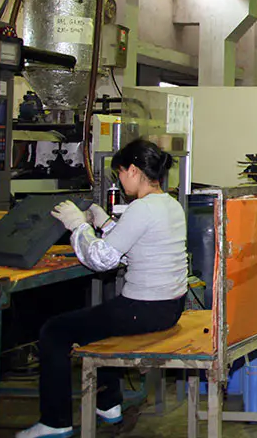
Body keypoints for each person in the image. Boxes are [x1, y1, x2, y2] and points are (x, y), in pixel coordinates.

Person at [18, 139, 187, 438]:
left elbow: (102, 260)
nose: (119, 181)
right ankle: (108, 404)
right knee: (104, 323)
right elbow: (134, 246)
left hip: (144, 310)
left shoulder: (142, 208)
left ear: (133, 170)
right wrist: (105, 222)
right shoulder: (170, 204)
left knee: (54, 331)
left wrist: (77, 226)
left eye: (120, 173)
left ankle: (55, 422)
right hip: (170, 306)